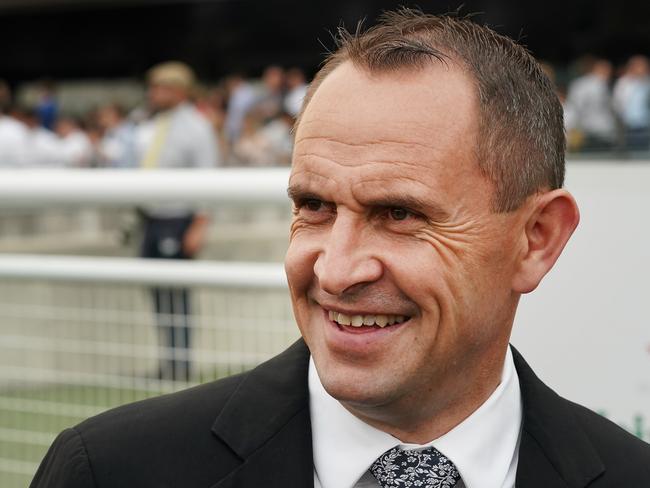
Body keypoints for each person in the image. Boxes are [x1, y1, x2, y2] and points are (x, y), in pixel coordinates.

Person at [31, 9, 650, 488]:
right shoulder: (110, 471)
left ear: (536, 239)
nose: (336, 268)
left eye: (399, 214)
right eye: (314, 207)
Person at [135, 61, 221, 381]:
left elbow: (208, 176)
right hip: (152, 218)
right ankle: (168, 360)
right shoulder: (153, 124)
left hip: (177, 219)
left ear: (178, 90)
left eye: (160, 87)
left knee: (176, 295)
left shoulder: (196, 127)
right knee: (158, 292)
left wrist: (200, 224)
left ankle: (180, 364)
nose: (153, 93)